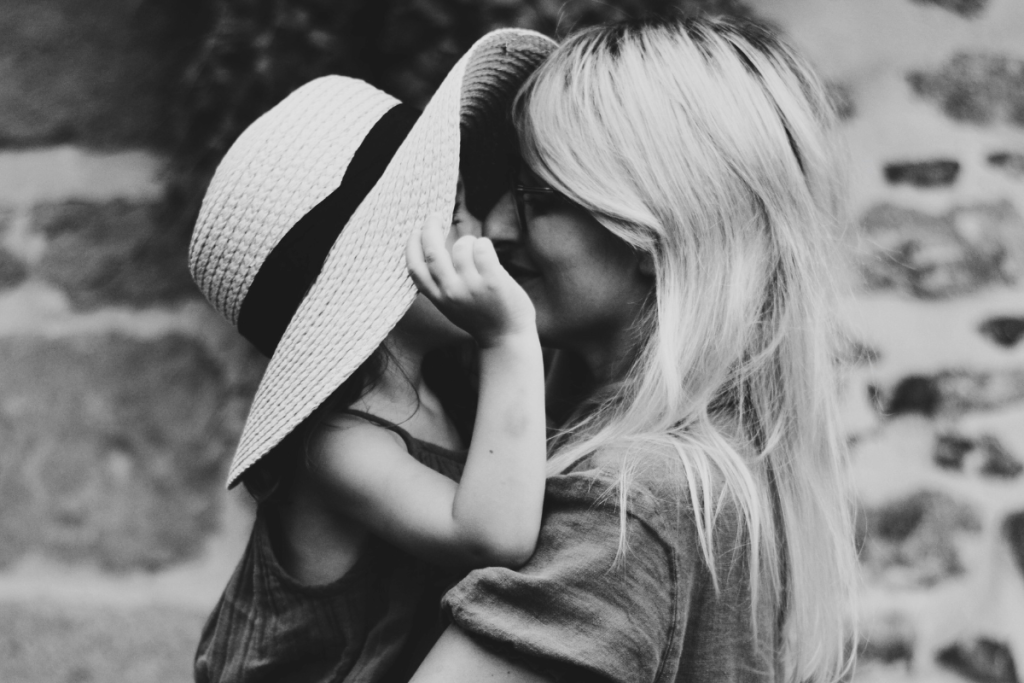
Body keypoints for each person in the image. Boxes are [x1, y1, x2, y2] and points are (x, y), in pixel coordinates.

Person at [410, 16, 859, 683]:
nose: (500, 223)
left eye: (536, 195)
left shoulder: (627, 504)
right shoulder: (733, 462)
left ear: (651, 232)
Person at [188, 29, 556, 683]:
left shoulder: (446, 391)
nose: (486, 231)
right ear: (372, 278)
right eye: (456, 217)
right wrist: (509, 339)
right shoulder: (340, 443)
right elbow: (492, 538)